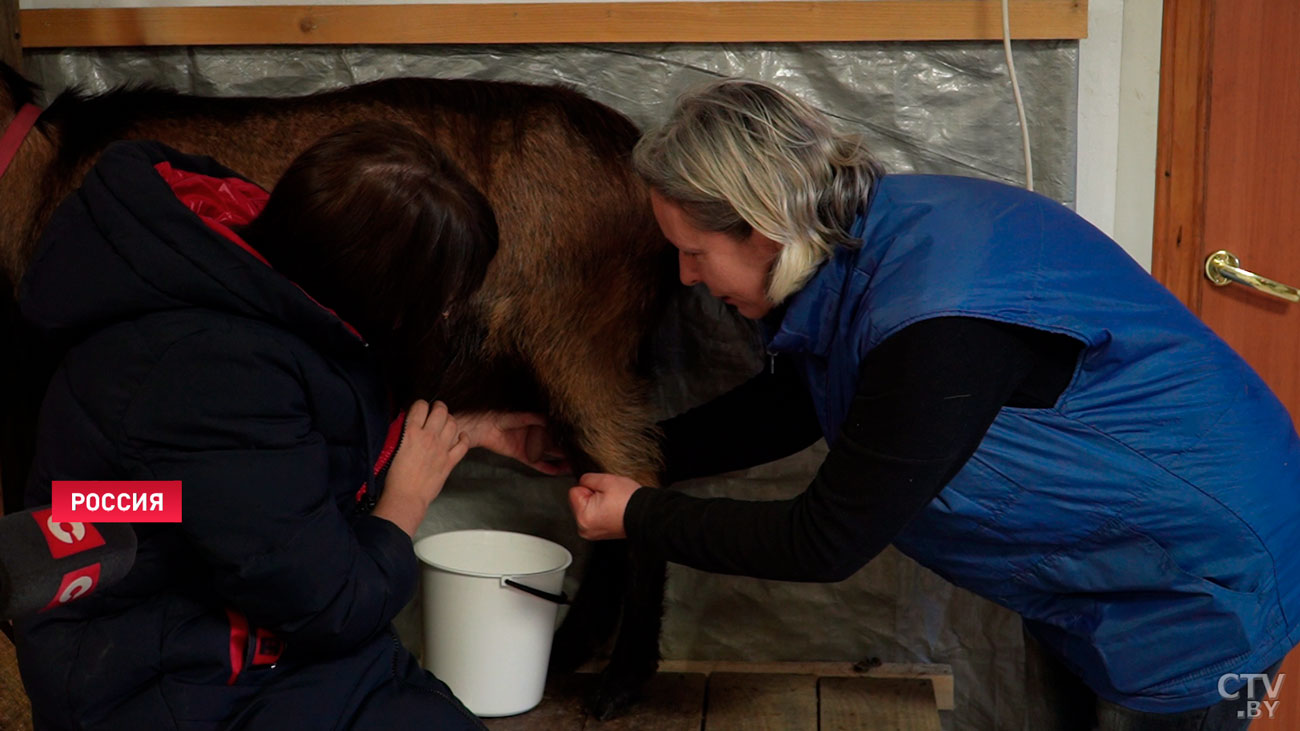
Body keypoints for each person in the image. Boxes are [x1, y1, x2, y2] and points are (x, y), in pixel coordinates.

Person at [567, 78, 1300, 729]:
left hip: (1202, 584)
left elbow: (827, 541)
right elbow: (799, 400)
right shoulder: (860, 243)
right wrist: (609, 450)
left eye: (693, 251)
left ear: (759, 230)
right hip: (1098, 564)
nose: (687, 276)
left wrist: (636, 513)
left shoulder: (937, 321)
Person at [14, 121, 560, 730]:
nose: (450, 311)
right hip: (162, 671)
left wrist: (455, 426)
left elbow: (253, 478)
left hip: (234, 617)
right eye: (443, 297)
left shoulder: (259, 277)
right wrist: (407, 500)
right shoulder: (210, 371)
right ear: (380, 292)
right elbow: (327, 604)